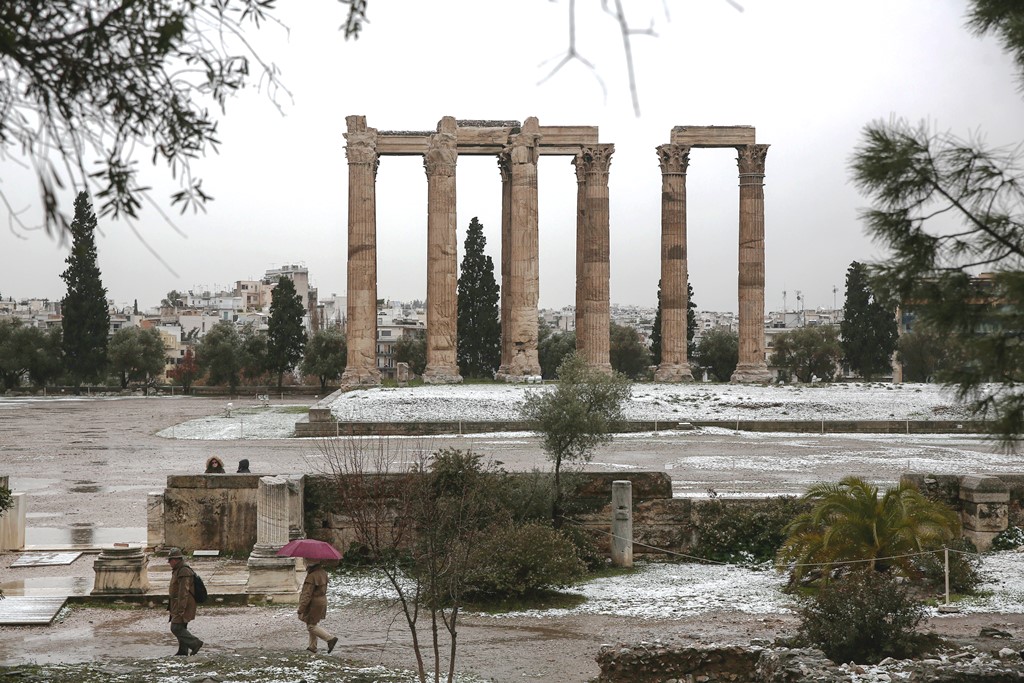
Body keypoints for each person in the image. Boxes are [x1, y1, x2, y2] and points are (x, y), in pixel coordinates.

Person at [167, 548, 203, 656]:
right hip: (177, 603)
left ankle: (195, 643)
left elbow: (184, 592)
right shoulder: (178, 569)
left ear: (176, 560)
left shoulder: (184, 571)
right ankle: (183, 650)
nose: (169, 562)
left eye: (170, 560)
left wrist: (181, 608)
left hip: (184, 604)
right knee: (181, 626)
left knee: (176, 627)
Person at [298, 560, 338, 654]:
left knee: (311, 627)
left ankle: (330, 639)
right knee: (312, 623)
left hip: (314, 604)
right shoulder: (322, 572)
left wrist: (301, 608)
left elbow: (307, 594)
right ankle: (312, 647)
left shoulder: (312, 576)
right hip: (321, 601)